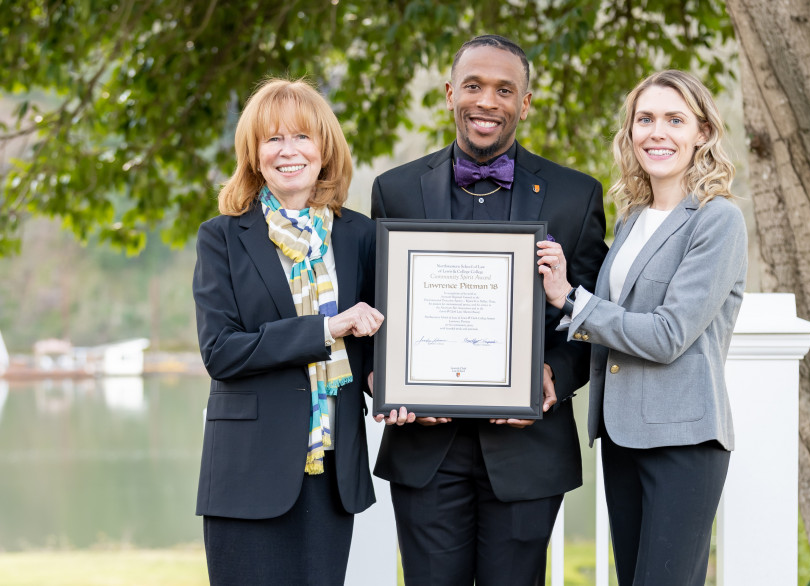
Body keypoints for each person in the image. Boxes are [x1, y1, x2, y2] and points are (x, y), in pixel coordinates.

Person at [371, 35, 607, 585]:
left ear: (524, 104)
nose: (487, 102)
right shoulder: (394, 190)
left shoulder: (577, 196)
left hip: (527, 449)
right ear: (451, 93)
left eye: (505, 90)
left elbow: (591, 316)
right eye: (474, 86)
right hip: (424, 446)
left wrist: (554, 374)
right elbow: (375, 310)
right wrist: (386, 381)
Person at [538, 69, 747, 585]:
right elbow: (615, 322)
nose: (658, 132)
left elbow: (668, 333)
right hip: (623, 436)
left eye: (675, 119)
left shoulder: (717, 220)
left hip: (683, 441)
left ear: (702, 132)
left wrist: (570, 299)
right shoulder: (631, 216)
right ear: (630, 131)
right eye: (645, 118)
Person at [192, 78, 384, 585]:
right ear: (254, 155)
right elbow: (220, 352)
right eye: (272, 139)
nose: (288, 151)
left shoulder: (361, 235)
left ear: (325, 149)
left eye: (302, 137)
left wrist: (392, 385)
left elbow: (376, 348)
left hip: (331, 471)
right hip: (246, 474)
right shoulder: (222, 237)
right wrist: (324, 330)